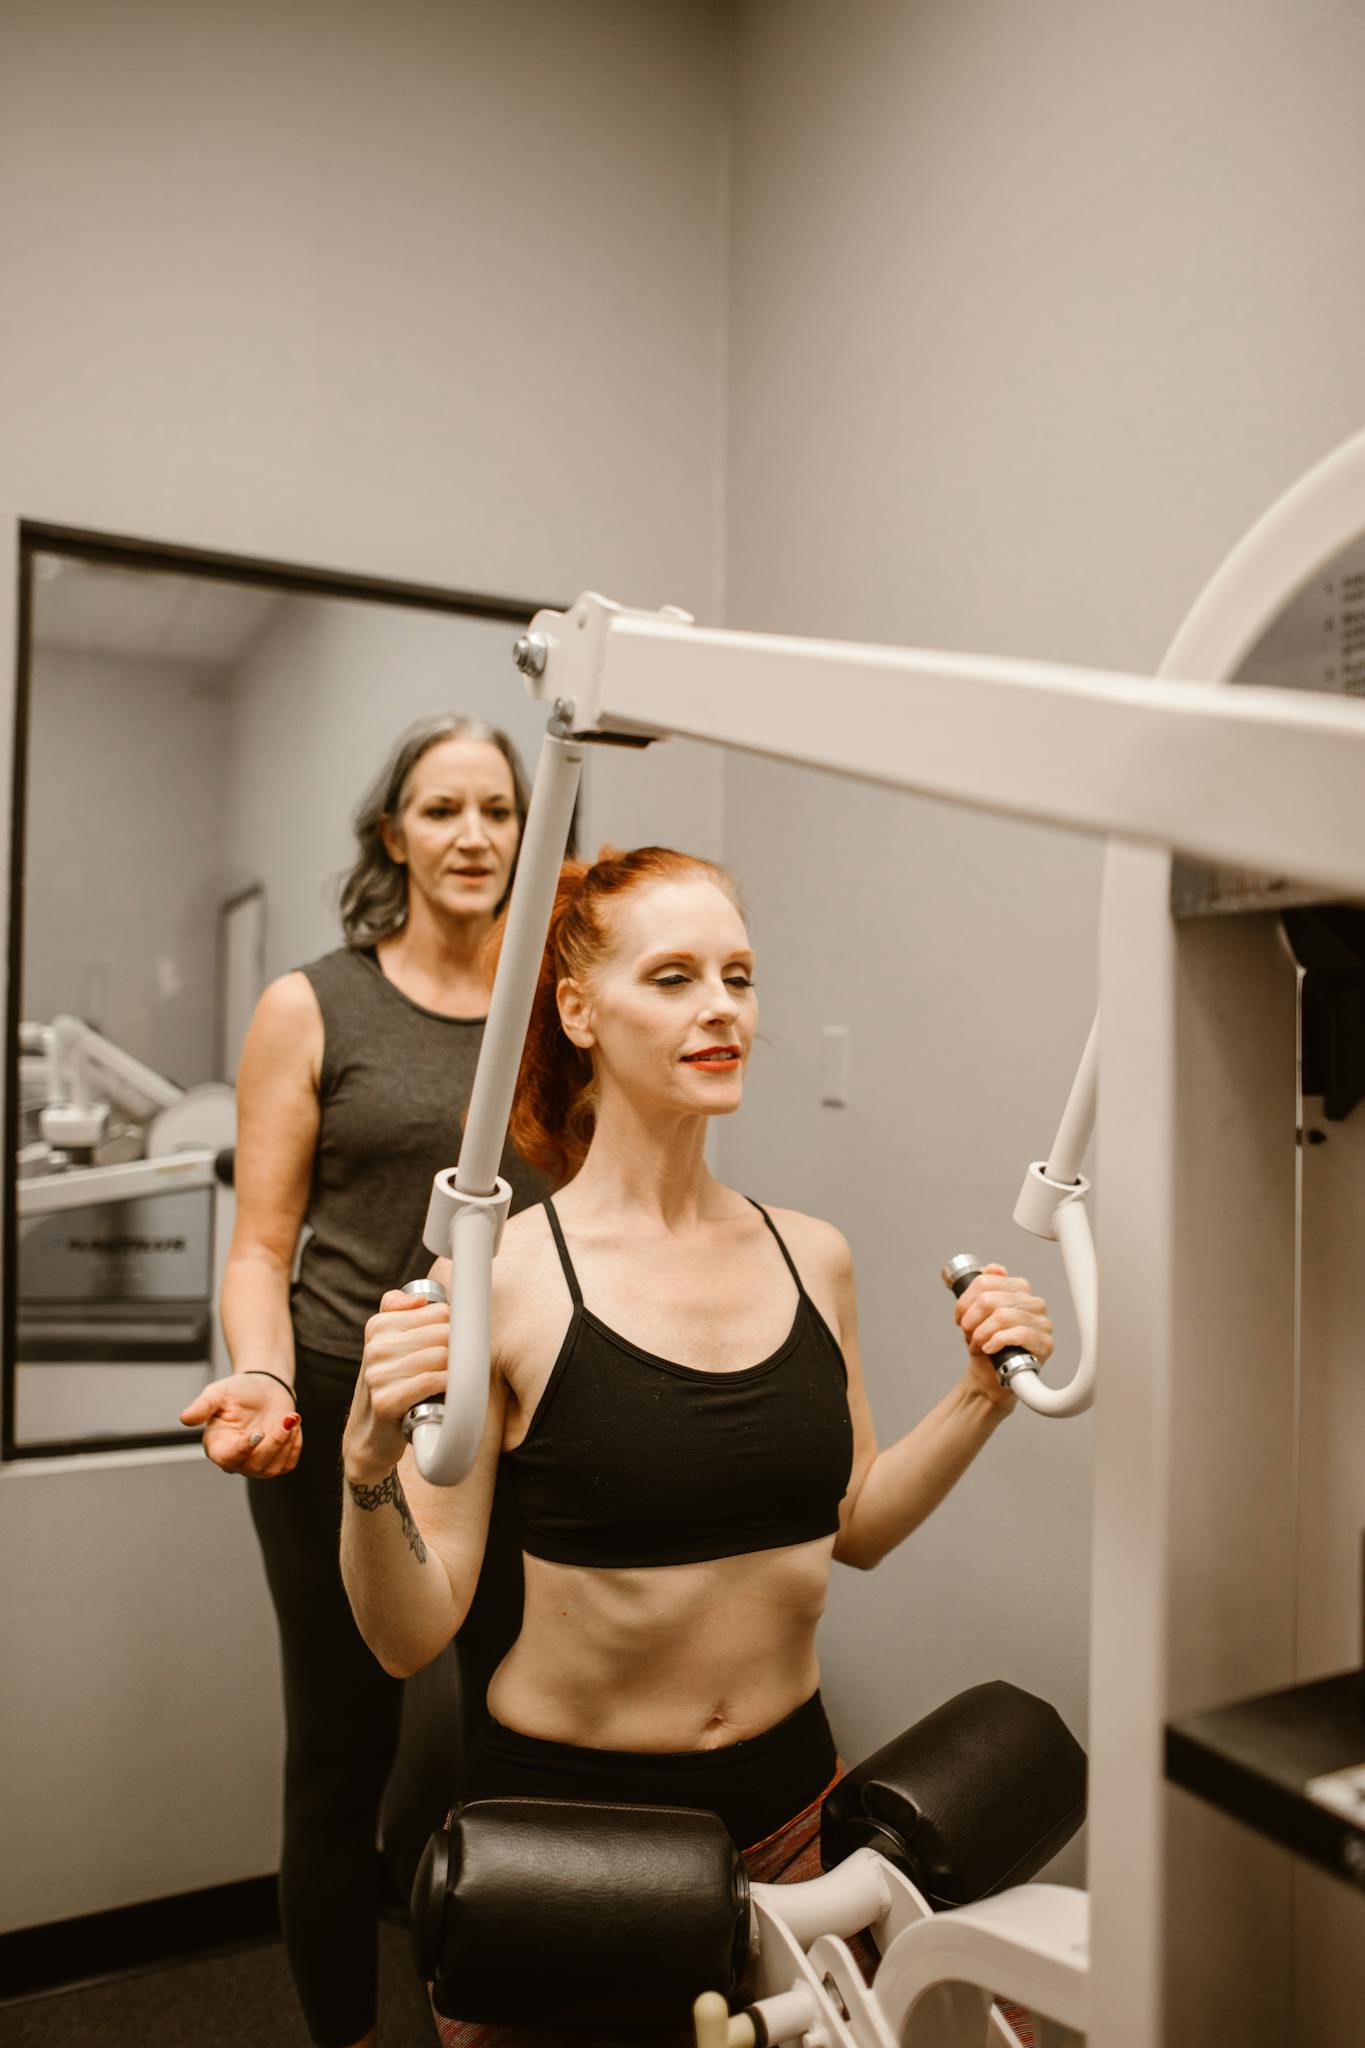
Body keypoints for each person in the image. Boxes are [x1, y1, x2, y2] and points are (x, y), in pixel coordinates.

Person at [340, 845, 1055, 2047]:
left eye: (739, 973)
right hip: (578, 1837)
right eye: (672, 976)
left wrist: (982, 1394)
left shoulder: (810, 1253)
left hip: (796, 1810)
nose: (722, 1006)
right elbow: (412, 1629)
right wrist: (367, 1468)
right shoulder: (505, 1275)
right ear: (578, 1010)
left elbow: (858, 1522)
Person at [180, 714, 551, 2048]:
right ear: (393, 833)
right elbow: (262, 1246)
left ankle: (496, 2015)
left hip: (521, 1410)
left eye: (497, 811)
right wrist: (265, 1381)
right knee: (344, 1756)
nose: (472, 836)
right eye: (442, 809)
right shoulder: (314, 1004)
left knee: (522, 1738)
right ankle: (342, 2033)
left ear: (529, 828)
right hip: (347, 1408)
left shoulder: (555, 1006)